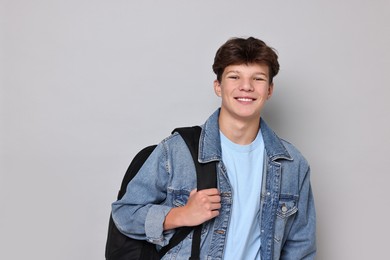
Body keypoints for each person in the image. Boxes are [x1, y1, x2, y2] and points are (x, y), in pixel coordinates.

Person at [112, 37, 316, 259]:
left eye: (258, 78)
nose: (246, 86)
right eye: (234, 77)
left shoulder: (292, 164)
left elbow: (301, 248)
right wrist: (180, 215)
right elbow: (124, 213)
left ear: (269, 90)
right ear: (218, 87)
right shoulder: (177, 151)